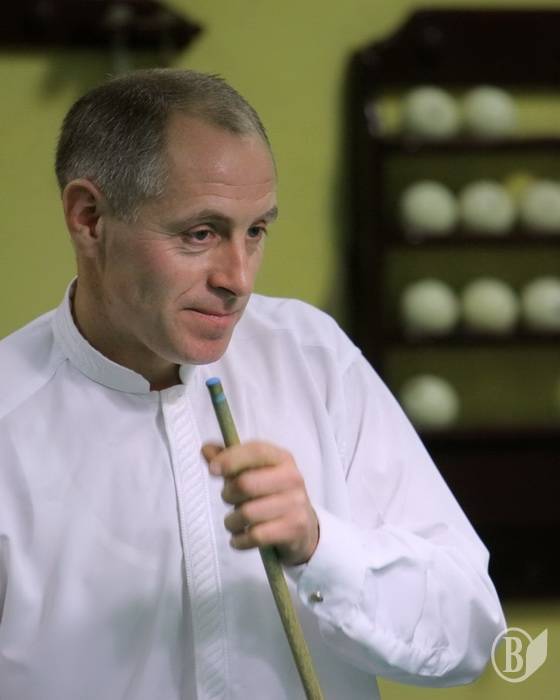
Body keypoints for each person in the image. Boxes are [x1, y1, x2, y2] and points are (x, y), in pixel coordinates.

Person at [0, 69, 505, 700]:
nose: (237, 279)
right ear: (89, 218)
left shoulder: (313, 358)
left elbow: (471, 633)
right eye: (200, 234)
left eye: (256, 231)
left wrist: (320, 546)